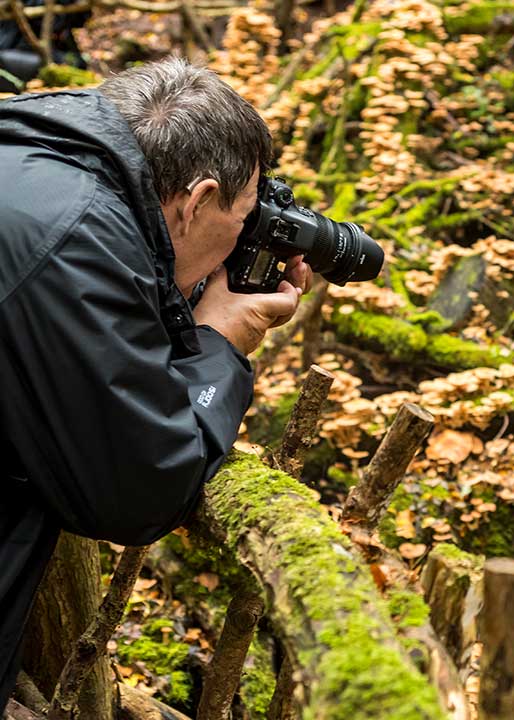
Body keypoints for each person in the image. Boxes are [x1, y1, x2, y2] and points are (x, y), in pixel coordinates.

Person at [0, 58, 311, 706]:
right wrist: (221, 341)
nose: (241, 241)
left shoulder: (35, 161)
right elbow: (142, 485)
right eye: (241, 219)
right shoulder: (74, 247)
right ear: (196, 201)